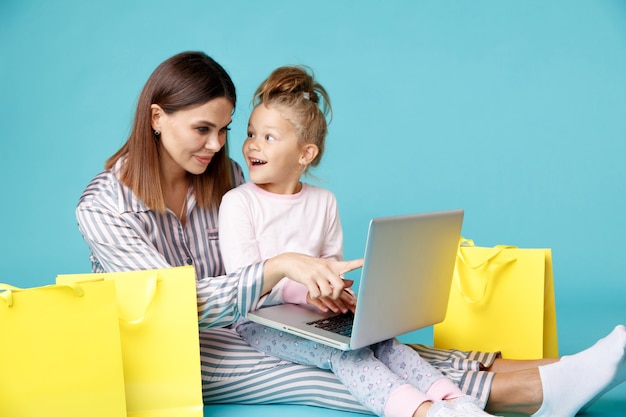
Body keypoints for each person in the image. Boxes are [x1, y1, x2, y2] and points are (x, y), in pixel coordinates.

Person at [75, 50, 626, 417]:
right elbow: (176, 305)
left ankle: (560, 376)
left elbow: (258, 282)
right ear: (155, 117)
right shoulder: (103, 207)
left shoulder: (222, 179)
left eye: (224, 130)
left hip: (247, 323)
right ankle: (536, 392)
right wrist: (279, 268)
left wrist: (317, 288)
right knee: (338, 366)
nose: (219, 146)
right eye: (203, 129)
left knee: (363, 342)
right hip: (171, 352)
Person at [218, 64, 497, 417]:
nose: (252, 145)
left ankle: (458, 402)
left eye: (269, 137)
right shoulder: (239, 202)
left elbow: (331, 262)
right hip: (258, 322)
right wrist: (304, 290)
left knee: (383, 342)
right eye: (250, 133)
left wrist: (337, 292)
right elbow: (243, 285)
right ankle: (426, 413)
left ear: (306, 154)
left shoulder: (324, 201)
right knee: (346, 353)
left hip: (311, 313)